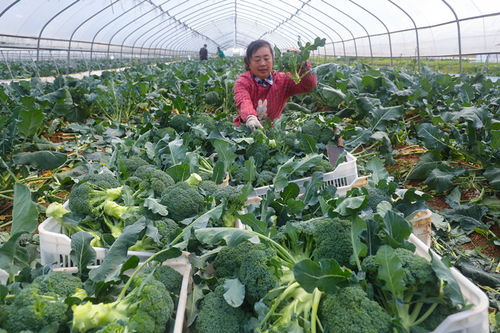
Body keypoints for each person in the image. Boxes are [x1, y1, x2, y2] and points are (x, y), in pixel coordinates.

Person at [233, 39, 317, 130]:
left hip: (271, 131)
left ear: (273, 59)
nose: (262, 63)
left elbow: (308, 86)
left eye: (266, 58)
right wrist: (250, 117)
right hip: (244, 129)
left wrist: (303, 65)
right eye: (257, 60)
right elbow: (243, 100)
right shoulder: (243, 82)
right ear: (248, 62)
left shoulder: (283, 80)